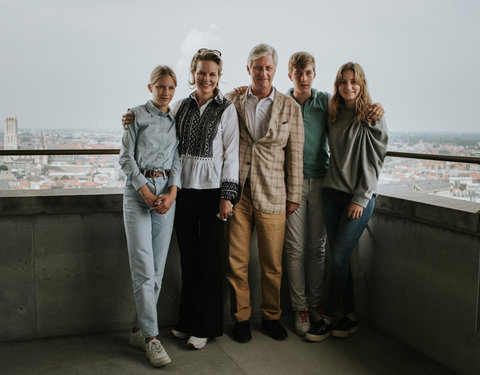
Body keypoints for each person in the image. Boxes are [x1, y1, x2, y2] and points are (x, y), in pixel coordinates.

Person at [123, 49, 239, 350]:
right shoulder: (180, 105)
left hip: (213, 192)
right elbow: (158, 124)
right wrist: (131, 118)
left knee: (210, 260)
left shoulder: (226, 109)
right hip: (182, 192)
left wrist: (227, 196)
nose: (206, 78)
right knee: (187, 258)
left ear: (218, 77)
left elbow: (232, 156)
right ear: (193, 73)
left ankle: (205, 326)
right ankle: (187, 320)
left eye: (212, 74)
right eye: (201, 73)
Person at [284, 52, 384, 336]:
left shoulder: (349, 110)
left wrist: (361, 197)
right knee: (311, 252)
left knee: (330, 254)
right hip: (319, 189)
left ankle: (323, 312)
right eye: (343, 81)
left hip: (341, 192)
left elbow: (374, 159)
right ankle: (331, 312)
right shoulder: (324, 108)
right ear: (290, 74)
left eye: (353, 82)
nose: (348, 86)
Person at [225, 43, 304, 343]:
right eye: (257, 67)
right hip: (239, 193)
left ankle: (271, 316)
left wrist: (294, 195)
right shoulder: (232, 99)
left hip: (274, 194)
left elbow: (295, 155)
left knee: (272, 264)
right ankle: (241, 318)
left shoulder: (290, 107)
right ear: (248, 70)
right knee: (237, 262)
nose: (262, 73)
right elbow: (201, 99)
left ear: (275, 71)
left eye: (268, 68)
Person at [119, 65, 181, 367]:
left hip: (165, 193)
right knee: (143, 266)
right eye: (160, 87)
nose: (165, 92)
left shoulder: (175, 119)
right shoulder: (136, 115)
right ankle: (152, 339)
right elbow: (125, 158)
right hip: (138, 193)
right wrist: (144, 191)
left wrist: (172, 192)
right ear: (150, 87)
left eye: (170, 88)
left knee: (157, 270)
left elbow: (178, 159)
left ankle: (137, 328)